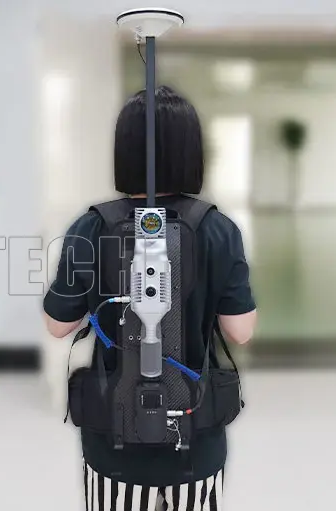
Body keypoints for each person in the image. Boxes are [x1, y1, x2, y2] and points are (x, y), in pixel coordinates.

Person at [43, 86, 257, 510]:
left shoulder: (90, 228)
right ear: (192, 153)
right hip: (195, 443)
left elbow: (57, 324)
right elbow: (240, 330)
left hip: (113, 449)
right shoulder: (218, 230)